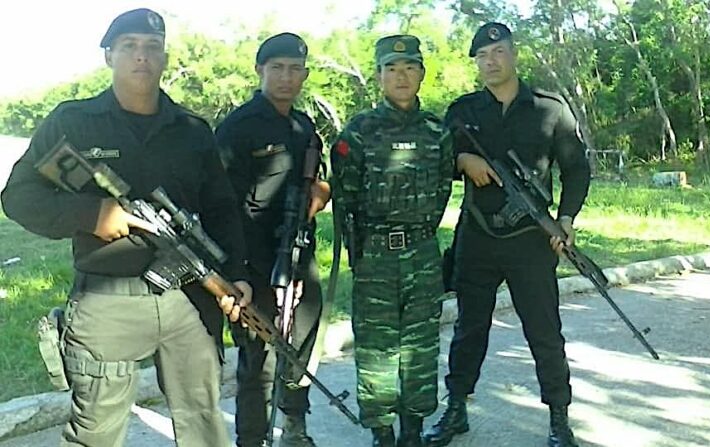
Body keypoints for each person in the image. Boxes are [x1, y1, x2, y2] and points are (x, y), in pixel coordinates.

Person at [1, 8, 252, 447]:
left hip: (190, 299)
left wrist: (240, 274)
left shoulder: (193, 130)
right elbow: (19, 198)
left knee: (204, 426)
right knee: (95, 432)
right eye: (130, 46)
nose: (142, 56)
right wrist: (94, 215)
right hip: (107, 300)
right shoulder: (73, 121)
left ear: (164, 58)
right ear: (109, 56)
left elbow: (222, 207)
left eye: (152, 47)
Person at [422, 22, 590, 447]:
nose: (490, 61)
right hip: (476, 238)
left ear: (514, 54)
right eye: (482, 55)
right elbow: (436, 161)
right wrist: (462, 160)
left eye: (497, 51)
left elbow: (577, 169)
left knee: (544, 331)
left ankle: (558, 417)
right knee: (468, 329)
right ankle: (456, 407)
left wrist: (566, 219)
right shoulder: (462, 111)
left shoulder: (549, 109)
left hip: (531, 241)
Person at [330, 35, 454, 447]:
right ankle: (383, 433)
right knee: (376, 348)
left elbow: (441, 192)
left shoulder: (438, 131)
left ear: (421, 74)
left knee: (421, 343)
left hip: (422, 251)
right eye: (391, 69)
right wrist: (361, 251)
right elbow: (345, 197)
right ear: (380, 76)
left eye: (409, 68)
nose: (401, 77)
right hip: (375, 254)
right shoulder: (360, 131)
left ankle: (413, 430)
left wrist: (419, 232)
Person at [215, 32, 330, 447]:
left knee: (301, 342)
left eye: (295, 69)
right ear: (260, 71)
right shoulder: (237, 127)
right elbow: (220, 202)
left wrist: (321, 192)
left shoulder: (303, 125)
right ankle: (252, 439)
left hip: (300, 251)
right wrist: (235, 269)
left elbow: (315, 180)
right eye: (277, 68)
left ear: (304, 74)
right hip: (254, 259)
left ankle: (295, 428)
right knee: (258, 358)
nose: (286, 77)